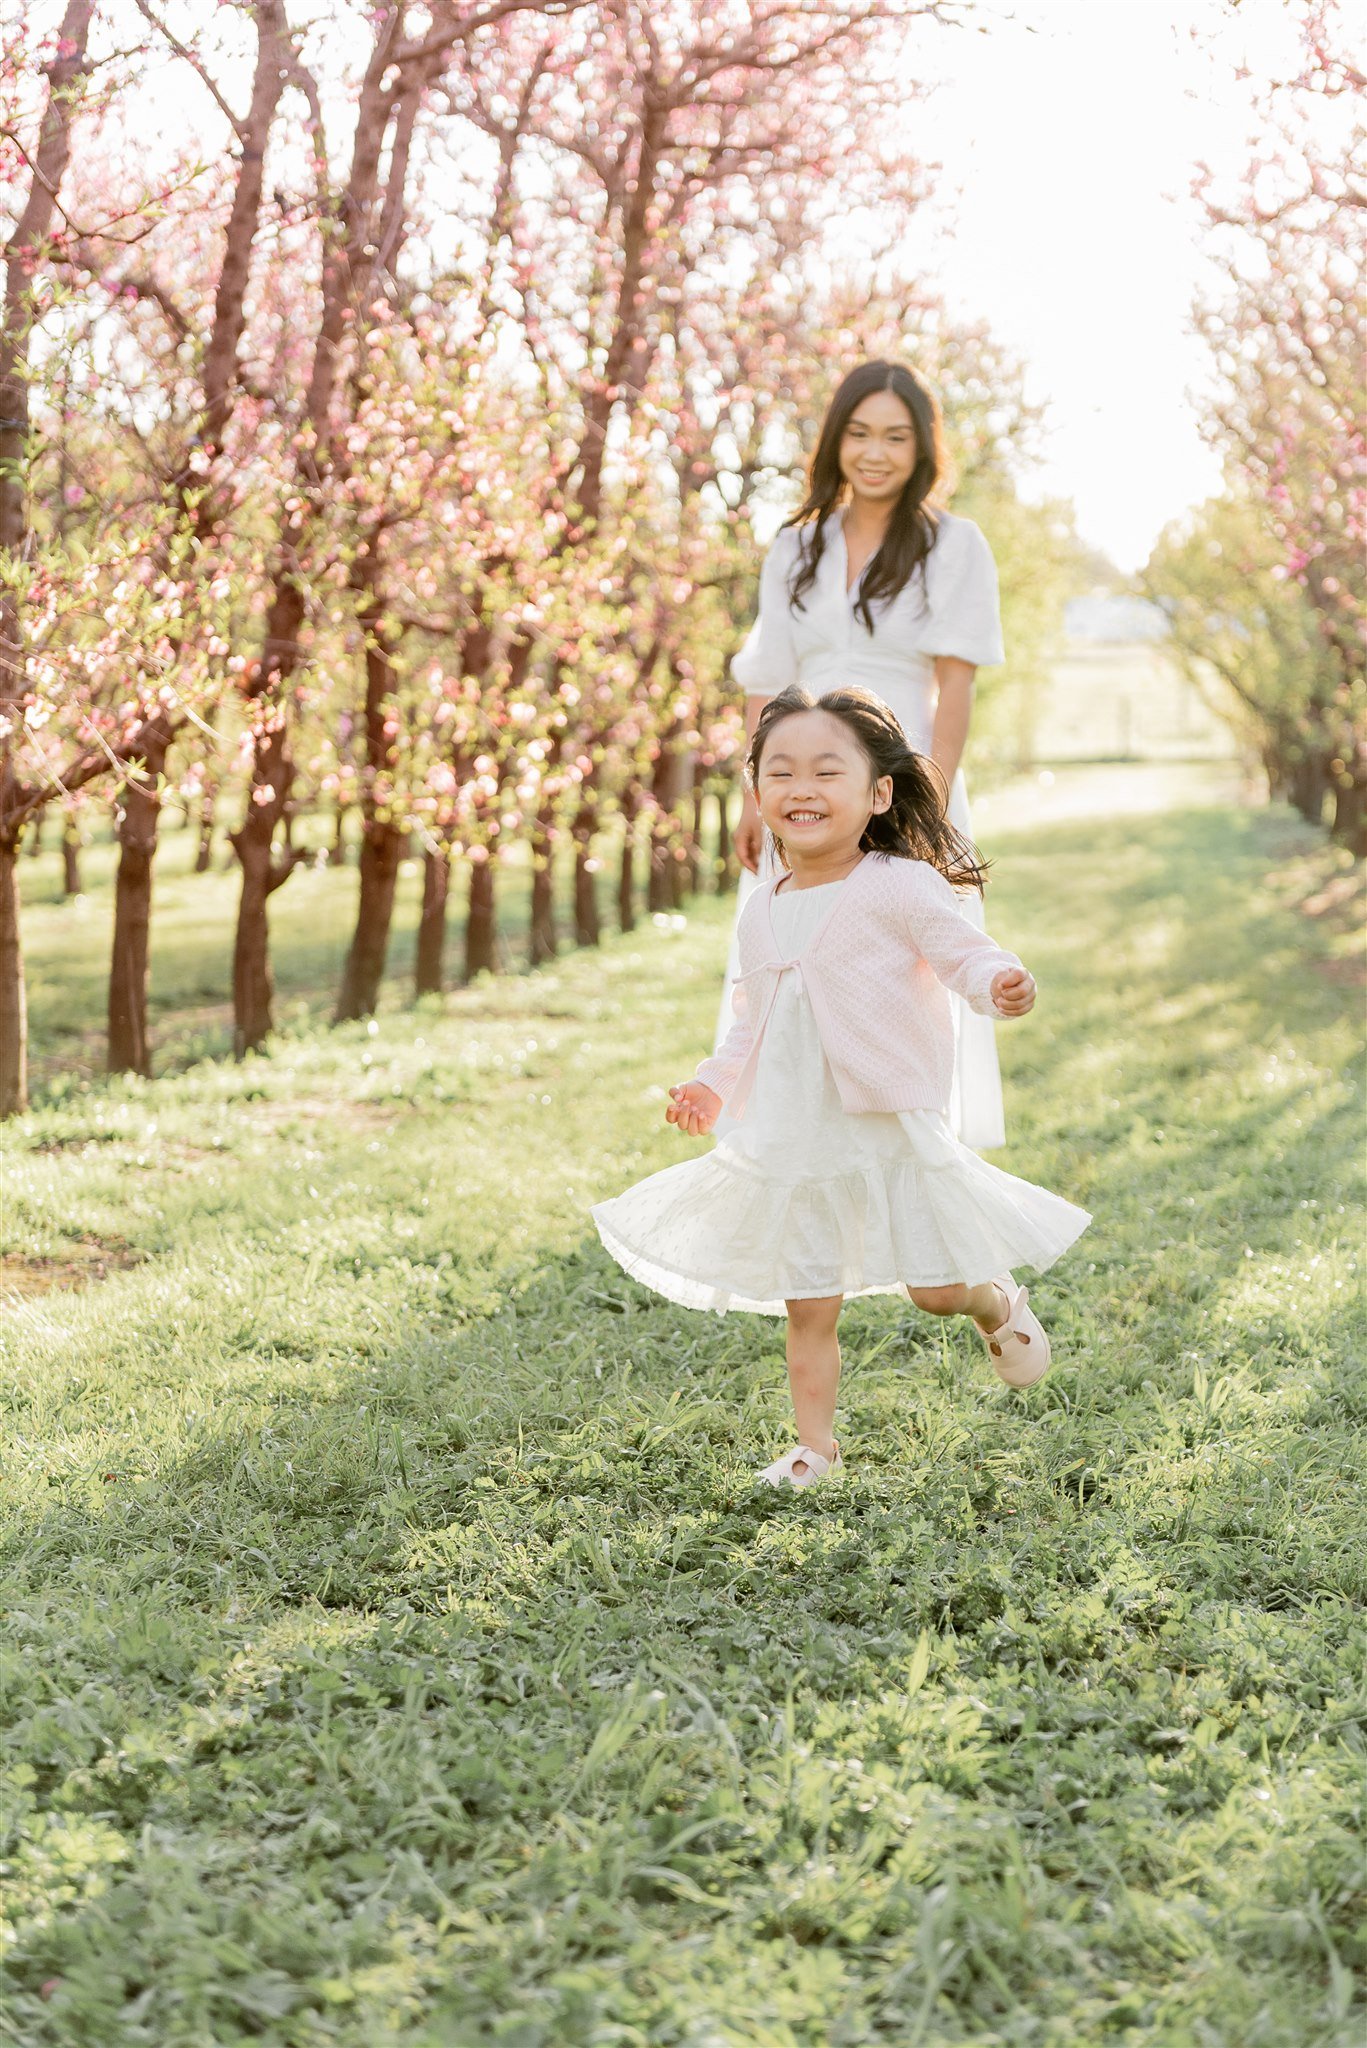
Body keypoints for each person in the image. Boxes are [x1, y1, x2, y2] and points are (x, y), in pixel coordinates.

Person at [593, 687, 1090, 1490]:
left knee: (933, 1291)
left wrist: (998, 979)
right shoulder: (762, 910)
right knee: (808, 1301)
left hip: (885, 1121)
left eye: (828, 771)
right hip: (796, 1131)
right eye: (780, 771)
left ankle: (992, 1300)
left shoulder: (896, 884)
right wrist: (713, 1088)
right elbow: (749, 1020)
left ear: (878, 793)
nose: (802, 789)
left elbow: (963, 951)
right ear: (756, 793)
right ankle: (813, 1447)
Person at [720, 358, 1008, 1149]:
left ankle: (918, 1157)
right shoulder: (795, 547)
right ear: (833, 441)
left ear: (921, 449)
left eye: (895, 436)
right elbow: (768, 678)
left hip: (898, 775)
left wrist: (930, 800)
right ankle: (785, 1152)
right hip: (799, 780)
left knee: (906, 959)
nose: (874, 451)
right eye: (858, 433)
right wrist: (753, 795)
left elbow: (954, 688)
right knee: (787, 957)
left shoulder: (954, 546)